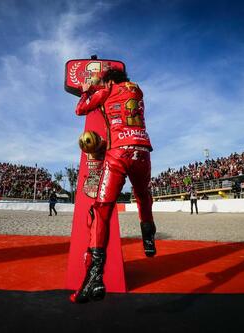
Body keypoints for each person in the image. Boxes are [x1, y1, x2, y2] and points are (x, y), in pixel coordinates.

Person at [70, 68, 157, 303]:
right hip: (143, 151)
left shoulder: (106, 90)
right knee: (142, 194)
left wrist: (89, 90)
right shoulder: (138, 90)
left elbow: (81, 109)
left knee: (101, 209)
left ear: (109, 80)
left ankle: (96, 276)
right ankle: (148, 239)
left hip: (119, 152)